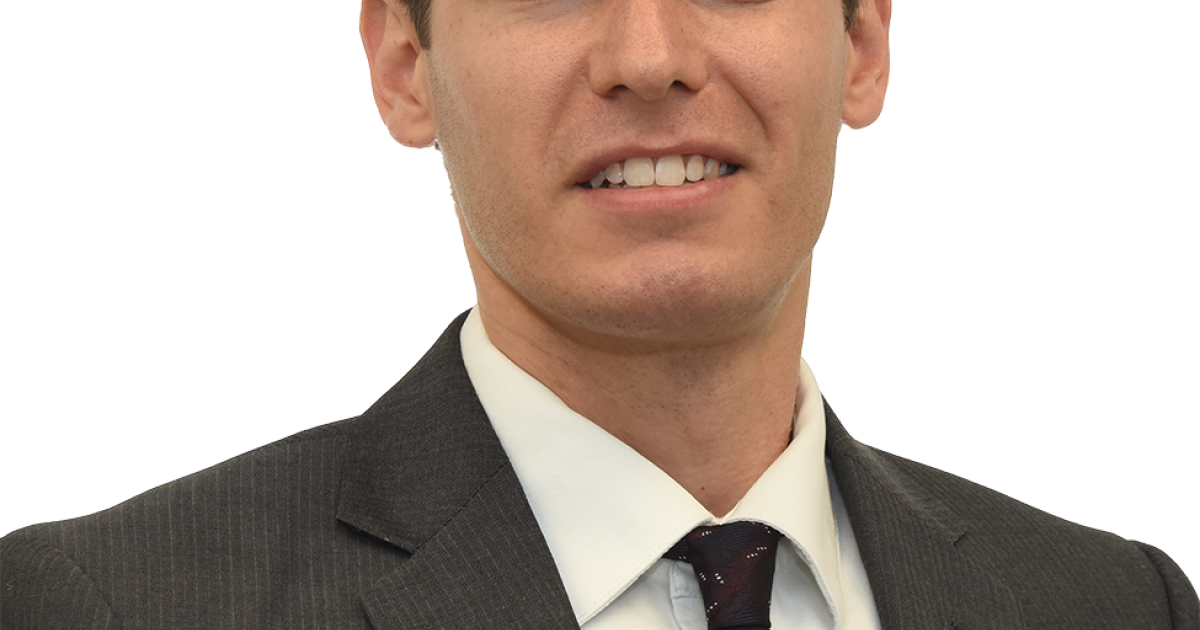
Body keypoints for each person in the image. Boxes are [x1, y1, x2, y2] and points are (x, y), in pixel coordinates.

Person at [1, 0, 1196, 625]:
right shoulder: (104, 607)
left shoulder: (1118, 606)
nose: (650, 55)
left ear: (866, 43)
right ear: (403, 63)